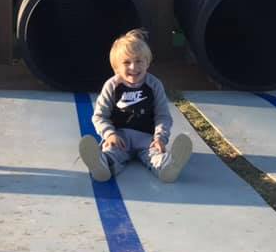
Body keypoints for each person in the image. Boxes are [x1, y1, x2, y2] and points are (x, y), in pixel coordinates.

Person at [78, 29, 193, 184]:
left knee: (155, 155)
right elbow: (100, 115)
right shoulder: (112, 85)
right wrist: (109, 134)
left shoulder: (154, 85)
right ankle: (101, 165)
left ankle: (168, 167)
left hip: (147, 138)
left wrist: (160, 138)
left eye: (139, 61)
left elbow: (162, 115)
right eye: (126, 62)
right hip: (120, 138)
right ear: (116, 67)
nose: (133, 67)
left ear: (147, 62)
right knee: (112, 153)